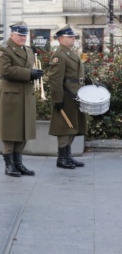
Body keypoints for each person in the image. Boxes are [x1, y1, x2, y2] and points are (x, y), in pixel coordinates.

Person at [0, 22, 43, 177]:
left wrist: (35, 74)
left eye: (24, 35)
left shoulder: (28, 50)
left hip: (26, 94)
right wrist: (29, 73)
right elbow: (5, 70)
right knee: (10, 130)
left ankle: (18, 163)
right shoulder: (4, 50)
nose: (23, 38)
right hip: (10, 95)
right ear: (12, 35)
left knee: (23, 129)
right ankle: (9, 165)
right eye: (20, 35)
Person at [45, 25, 87, 169]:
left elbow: (78, 74)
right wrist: (58, 99)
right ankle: (62, 158)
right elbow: (55, 80)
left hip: (76, 94)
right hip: (66, 95)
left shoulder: (70, 53)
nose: (73, 39)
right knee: (65, 126)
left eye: (73, 37)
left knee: (73, 126)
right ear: (61, 39)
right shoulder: (59, 55)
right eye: (70, 37)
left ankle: (68, 156)